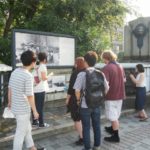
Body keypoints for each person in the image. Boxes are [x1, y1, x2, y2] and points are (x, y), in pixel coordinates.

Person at [8, 50, 45, 150]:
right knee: (20, 134)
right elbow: (30, 96)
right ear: (32, 62)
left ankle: (32, 148)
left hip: (15, 108)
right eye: (35, 61)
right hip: (23, 110)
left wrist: (9, 103)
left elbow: (10, 88)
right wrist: (35, 111)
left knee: (27, 129)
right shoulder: (28, 76)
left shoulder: (15, 72)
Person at [73, 51, 109, 150]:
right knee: (97, 125)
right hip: (97, 104)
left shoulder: (82, 74)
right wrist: (100, 97)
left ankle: (87, 147)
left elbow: (77, 90)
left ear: (85, 61)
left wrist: (77, 101)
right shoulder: (100, 73)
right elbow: (107, 88)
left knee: (86, 127)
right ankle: (97, 146)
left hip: (85, 105)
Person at [101, 50, 126, 143]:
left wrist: (102, 95)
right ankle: (112, 128)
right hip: (120, 94)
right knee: (115, 114)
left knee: (113, 116)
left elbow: (105, 84)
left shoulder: (107, 68)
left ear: (106, 58)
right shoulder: (120, 65)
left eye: (103, 58)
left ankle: (116, 136)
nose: (102, 60)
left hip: (111, 96)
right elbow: (124, 80)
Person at [66, 57, 85, 146]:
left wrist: (67, 99)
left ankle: (82, 138)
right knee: (82, 118)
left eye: (75, 62)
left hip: (75, 98)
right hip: (85, 98)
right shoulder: (86, 72)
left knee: (77, 119)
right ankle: (84, 135)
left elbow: (71, 89)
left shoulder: (76, 73)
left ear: (77, 63)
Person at [32, 52, 49, 128]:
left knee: (34, 106)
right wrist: (49, 76)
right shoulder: (43, 66)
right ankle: (41, 123)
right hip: (40, 89)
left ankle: (35, 122)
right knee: (40, 107)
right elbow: (44, 77)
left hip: (34, 89)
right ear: (45, 59)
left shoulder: (36, 66)